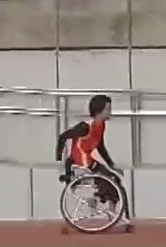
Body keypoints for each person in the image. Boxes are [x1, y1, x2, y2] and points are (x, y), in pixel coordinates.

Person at [56, 94, 131, 228]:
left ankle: (113, 212)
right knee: (108, 180)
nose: (110, 112)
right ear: (99, 111)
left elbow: (100, 147)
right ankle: (104, 205)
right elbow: (62, 137)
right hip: (78, 164)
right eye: (108, 109)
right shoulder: (85, 127)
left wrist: (112, 166)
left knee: (115, 179)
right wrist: (59, 160)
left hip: (89, 163)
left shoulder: (101, 125)